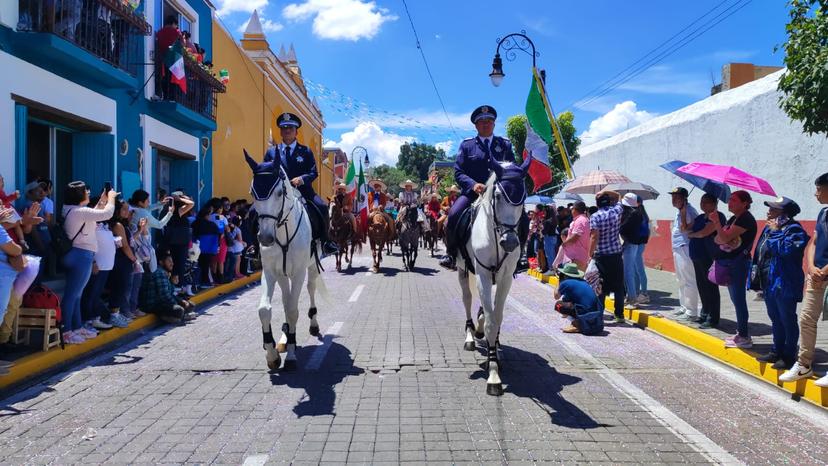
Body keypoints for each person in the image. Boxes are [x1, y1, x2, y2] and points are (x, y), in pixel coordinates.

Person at [440, 105, 516, 270]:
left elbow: (512, 169)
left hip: (499, 195)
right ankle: (451, 253)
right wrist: (473, 185)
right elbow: (458, 172)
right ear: (476, 125)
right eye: (481, 122)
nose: (485, 124)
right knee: (453, 215)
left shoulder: (505, 145)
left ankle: (518, 257)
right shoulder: (467, 146)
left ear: (494, 124)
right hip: (473, 194)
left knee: (521, 216)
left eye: (489, 121)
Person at [263, 113, 337, 256]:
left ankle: (326, 241)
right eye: (284, 128)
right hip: (279, 194)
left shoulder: (306, 151)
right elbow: (266, 172)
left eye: (290, 127)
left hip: (303, 192)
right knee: (254, 211)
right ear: (280, 131)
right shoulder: (272, 152)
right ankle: (256, 247)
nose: (287, 130)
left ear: (296, 131)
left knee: (321, 207)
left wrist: (301, 179)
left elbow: (313, 172)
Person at [780, 173, 828, 386]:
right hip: (816, 277)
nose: (815, 193)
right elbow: (814, 242)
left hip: (825, 275)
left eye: (818, 188)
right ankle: (803, 365)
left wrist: (824, 270)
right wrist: (811, 267)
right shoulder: (823, 213)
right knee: (806, 318)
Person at [751, 197, 808, 370]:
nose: (769, 211)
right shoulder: (770, 228)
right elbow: (760, 252)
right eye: (769, 208)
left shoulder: (795, 230)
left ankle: (789, 354)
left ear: (785, 214)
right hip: (769, 281)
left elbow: (785, 250)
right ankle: (776, 350)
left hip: (785, 282)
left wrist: (775, 232)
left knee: (787, 319)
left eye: (773, 209)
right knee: (775, 318)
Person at [61, 182, 117, 344]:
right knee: (73, 295)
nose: (88, 192)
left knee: (77, 295)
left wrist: (102, 200)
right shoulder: (79, 212)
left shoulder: (74, 211)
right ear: (79, 195)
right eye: (86, 190)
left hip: (79, 254)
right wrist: (111, 199)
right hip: (81, 255)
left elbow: (96, 213)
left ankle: (77, 327)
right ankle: (67, 331)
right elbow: (107, 214)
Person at [710, 190, 758, 349]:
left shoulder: (745, 219)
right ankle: (741, 333)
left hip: (738, 264)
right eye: (729, 199)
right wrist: (723, 236)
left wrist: (717, 222)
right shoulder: (734, 218)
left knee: (738, 300)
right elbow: (718, 239)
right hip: (731, 263)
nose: (729, 202)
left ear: (745, 203)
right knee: (735, 300)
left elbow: (722, 237)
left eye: (734, 200)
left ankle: (744, 335)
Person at [687, 194, 727, 328]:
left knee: (710, 286)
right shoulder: (700, 217)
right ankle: (704, 312)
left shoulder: (718, 217)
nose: (703, 205)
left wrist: (692, 235)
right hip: (696, 255)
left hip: (708, 255)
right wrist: (682, 211)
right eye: (701, 202)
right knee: (701, 285)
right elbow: (686, 227)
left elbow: (704, 232)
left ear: (714, 203)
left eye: (706, 202)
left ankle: (713, 317)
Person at [589, 190, 626, 324]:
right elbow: (619, 196)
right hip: (616, 254)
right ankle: (619, 314)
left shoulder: (595, 216)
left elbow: (594, 237)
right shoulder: (616, 211)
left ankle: (600, 312)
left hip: (601, 255)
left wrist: (590, 253)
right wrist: (605, 191)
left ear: (597, 204)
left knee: (601, 286)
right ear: (609, 202)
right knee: (619, 286)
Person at [669, 187, 701, 320]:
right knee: (681, 280)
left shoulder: (689, 211)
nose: (674, 199)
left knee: (689, 279)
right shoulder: (680, 211)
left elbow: (684, 229)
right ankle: (684, 306)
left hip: (685, 248)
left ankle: (692, 311)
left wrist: (683, 212)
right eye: (673, 197)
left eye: (677, 197)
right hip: (678, 247)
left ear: (684, 198)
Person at [139, 251, 196, 325]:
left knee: (190, 305)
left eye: (172, 261)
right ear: (161, 262)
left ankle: (180, 316)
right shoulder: (159, 272)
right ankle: (172, 317)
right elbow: (165, 296)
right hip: (152, 305)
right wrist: (178, 304)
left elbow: (170, 292)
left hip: (161, 302)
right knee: (179, 310)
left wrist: (181, 301)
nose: (172, 263)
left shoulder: (165, 272)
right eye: (169, 261)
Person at [553, 263, 602, 334]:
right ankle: (579, 322)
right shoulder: (583, 282)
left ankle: (576, 324)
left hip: (585, 312)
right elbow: (567, 299)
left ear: (565, 275)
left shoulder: (566, 283)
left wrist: (559, 281)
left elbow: (556, 296)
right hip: (596, 313)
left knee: (558, 305)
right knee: (566, 301)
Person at [163, 191, 195, 294]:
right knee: (179, 265)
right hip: (179, 242)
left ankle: (176, 286)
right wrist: (179, 198)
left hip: (172, 240)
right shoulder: (179, 211)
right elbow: (191, 203)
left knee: (175, 264)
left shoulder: (170, 210)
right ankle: (178, 286)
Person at [620, 193, 648, 309]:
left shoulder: (633, 214)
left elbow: (623, 228)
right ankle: (632, 296)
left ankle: (632, 299)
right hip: (635, 244)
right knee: (632, 271)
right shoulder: (639, 213)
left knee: (629, 272)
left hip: (630, 244)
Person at [192, 205, 220, 288]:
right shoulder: (212, 225)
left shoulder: (195, 223)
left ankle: (198, 282)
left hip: (197, 248)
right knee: (205, 266)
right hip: (208, 249)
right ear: (206, 215)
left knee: (198, 265)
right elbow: (218, 235)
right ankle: (204, 282)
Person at [155, 15, 182, 100]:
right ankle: (171, 98)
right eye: (176, 25)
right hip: (173, 59)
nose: (176, 27)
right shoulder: (175, 32)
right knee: (173, 81)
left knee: (165, 79)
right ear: (173, 23)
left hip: (162, 59)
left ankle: (165, 96)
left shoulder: (159, 32)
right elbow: (181, 45)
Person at [560, 201, 590, 271]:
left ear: (575, 210)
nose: (571, 211)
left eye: (572, 209)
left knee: (573, 279)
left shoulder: (580, 221)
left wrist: (564, 243)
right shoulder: (584, 219)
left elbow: (575, 237)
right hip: (580, 256)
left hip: (577, 257)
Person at [541, 206, 558, 275]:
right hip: (554, 237)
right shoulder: (554, 219)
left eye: (545, 211)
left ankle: (551, 269)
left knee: (549, 254)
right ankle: (553, 269)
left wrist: (541, 229)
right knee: (553, 254)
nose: (543, 212)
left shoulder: (548, 221)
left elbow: (544, 232)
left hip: (548, 238)